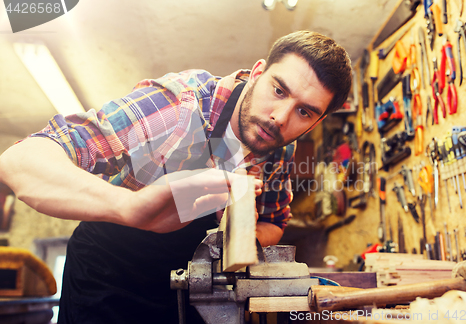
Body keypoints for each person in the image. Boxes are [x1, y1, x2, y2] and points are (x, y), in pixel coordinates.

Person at [0, 30, 351, 323]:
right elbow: (19, 161)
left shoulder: (280, 146)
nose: (280, 117)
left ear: (317, 121)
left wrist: (239, 236)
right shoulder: (180, 107)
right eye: (278, 90)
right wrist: (130, 207)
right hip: (105, 274)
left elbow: (275, 220)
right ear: (258, 71)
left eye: (304, 112)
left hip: (190, 285)